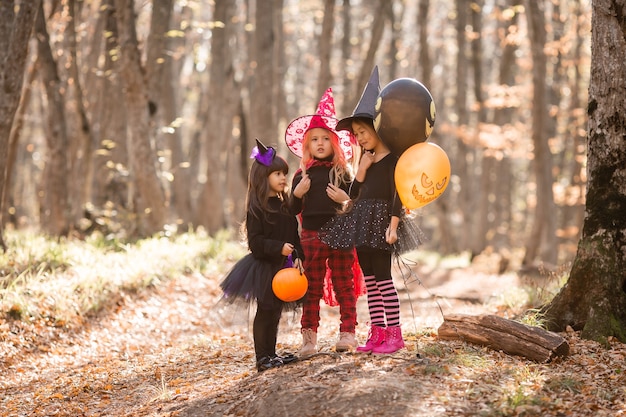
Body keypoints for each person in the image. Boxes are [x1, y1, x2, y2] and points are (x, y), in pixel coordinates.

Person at [321, 66, 425, 355]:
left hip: (381, 223)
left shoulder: (393, 161)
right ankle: (377, 332)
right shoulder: (365, 161)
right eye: (356, 134)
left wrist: (393, 225)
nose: (360, 138)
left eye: (363, 132)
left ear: (378, 129)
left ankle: (395, 334)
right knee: (368, 279)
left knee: (383, 278)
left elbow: (397, 194)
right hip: (361, 222)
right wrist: (362, 171)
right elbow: (354, 195)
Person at [285, 88, 362, 356]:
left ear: (334, 143)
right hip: (311, 235)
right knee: (312, 286)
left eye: (325, 139)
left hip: (341, 233)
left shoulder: (342, 172)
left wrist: (345, 198)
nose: (319, 143)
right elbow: (292, 209)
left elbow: (356, 205)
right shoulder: (301, 174)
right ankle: (309, 338)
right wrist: (297, 193)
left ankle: (348, 332)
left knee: (344, 283)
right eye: (314, 139)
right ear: (307, 145)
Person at [220, 139, 304, 372]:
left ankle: (272, 353)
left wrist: (298, 255)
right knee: (265, 310)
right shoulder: (257, 209)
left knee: (275, 311)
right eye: (277, 173)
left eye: (283, 174)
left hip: (283, 268)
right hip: (265, 267)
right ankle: (262, 357)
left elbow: (294, 235)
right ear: (263, 177)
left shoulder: (285, 205)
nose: (282, 178)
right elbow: (256, 243)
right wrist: (278, 247)